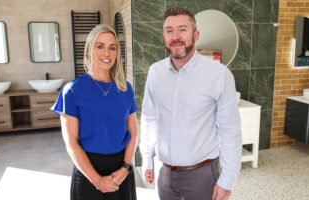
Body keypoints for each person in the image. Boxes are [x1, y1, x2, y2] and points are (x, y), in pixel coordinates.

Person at [140, 7, 242, 200]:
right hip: (165, 174)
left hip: (202, 176)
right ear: (163, 36)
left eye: (182, 29)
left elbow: (230, 131)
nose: (175, 36)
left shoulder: (219, 75)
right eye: (169, 30)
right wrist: (147, 159)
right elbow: (149, 119)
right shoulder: (155, 72)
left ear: (195, 34)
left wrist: (227, 180)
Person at [51, 24, 138, 200]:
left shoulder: (125, 88)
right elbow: (71, 143)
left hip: (121, 170)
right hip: (87, 171)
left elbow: (133, 131)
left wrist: (125, 168)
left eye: (112, 48)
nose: (107, 53)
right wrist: (97, 180)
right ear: (89, 51)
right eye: (100, 46)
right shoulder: (73, 91)